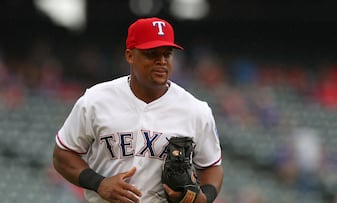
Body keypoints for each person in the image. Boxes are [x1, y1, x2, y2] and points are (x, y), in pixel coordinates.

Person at [52, 17, 223, 203]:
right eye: (152, 54)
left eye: (167, 54)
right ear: (130, 55)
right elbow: (63, 154)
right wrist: (99, 183)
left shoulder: (195, 110)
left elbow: (212, 167)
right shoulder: (95, 101)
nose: (162, 61)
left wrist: (204, 199)